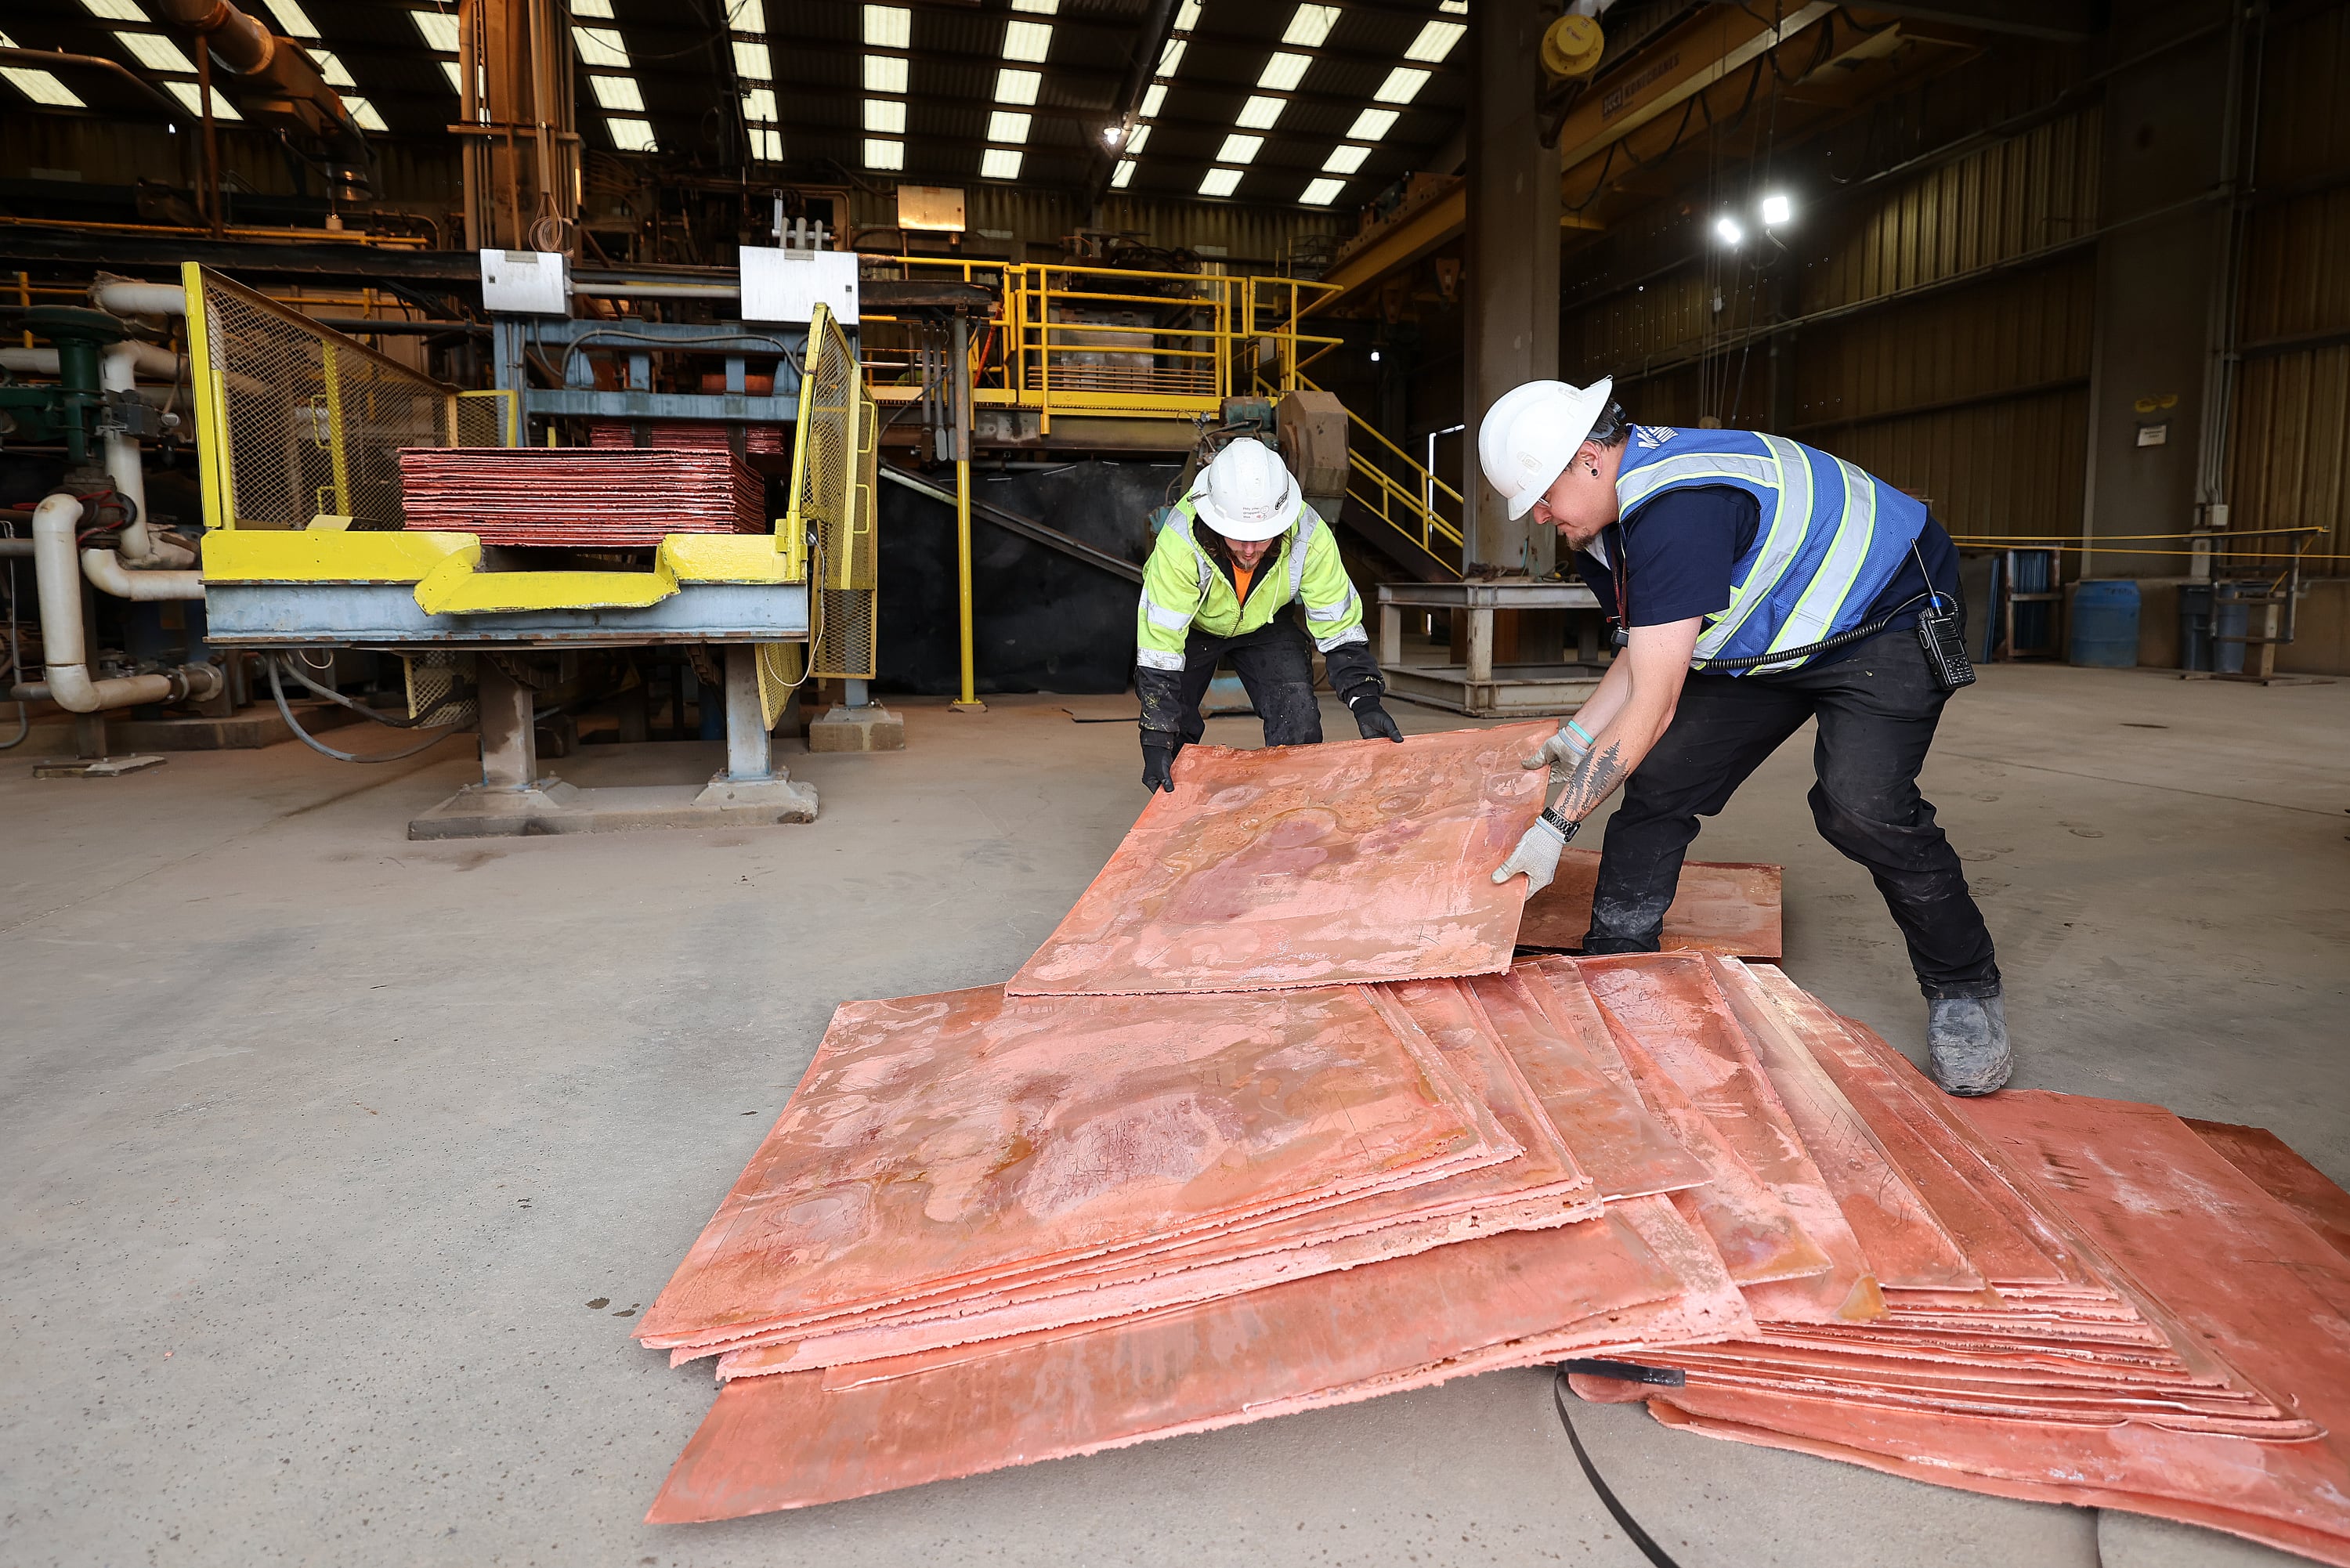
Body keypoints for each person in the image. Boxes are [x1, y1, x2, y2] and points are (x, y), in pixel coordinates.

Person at [1479, 377, 2009, 1097]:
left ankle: (1964, 985)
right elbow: (1643, 651)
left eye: (1542, 495)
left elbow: (1656, 702)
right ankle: (1615, 963)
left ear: (1591, 459)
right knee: (1662, 779)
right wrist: (1577, 735)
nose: (1539, 516)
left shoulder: (1678, 512)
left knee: (1862, 805)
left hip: (1880, 614)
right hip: (1771, 637)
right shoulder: (1605, 535)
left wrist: (1556, 824)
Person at [1133, 439, 1402, 790]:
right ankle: (1178, 815)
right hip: (1194, 628)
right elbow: (1161, 644)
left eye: (1260, 537)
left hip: (1266, 624)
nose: (1249, 550)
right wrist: (1155, 738)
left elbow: (1337, 623)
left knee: (1298, 717)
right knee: (1174, 739)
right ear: (1215, 521)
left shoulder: (1309, 535)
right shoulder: (1179, 543)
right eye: (1238, 537)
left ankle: (1290, 813)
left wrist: (1365, 701)